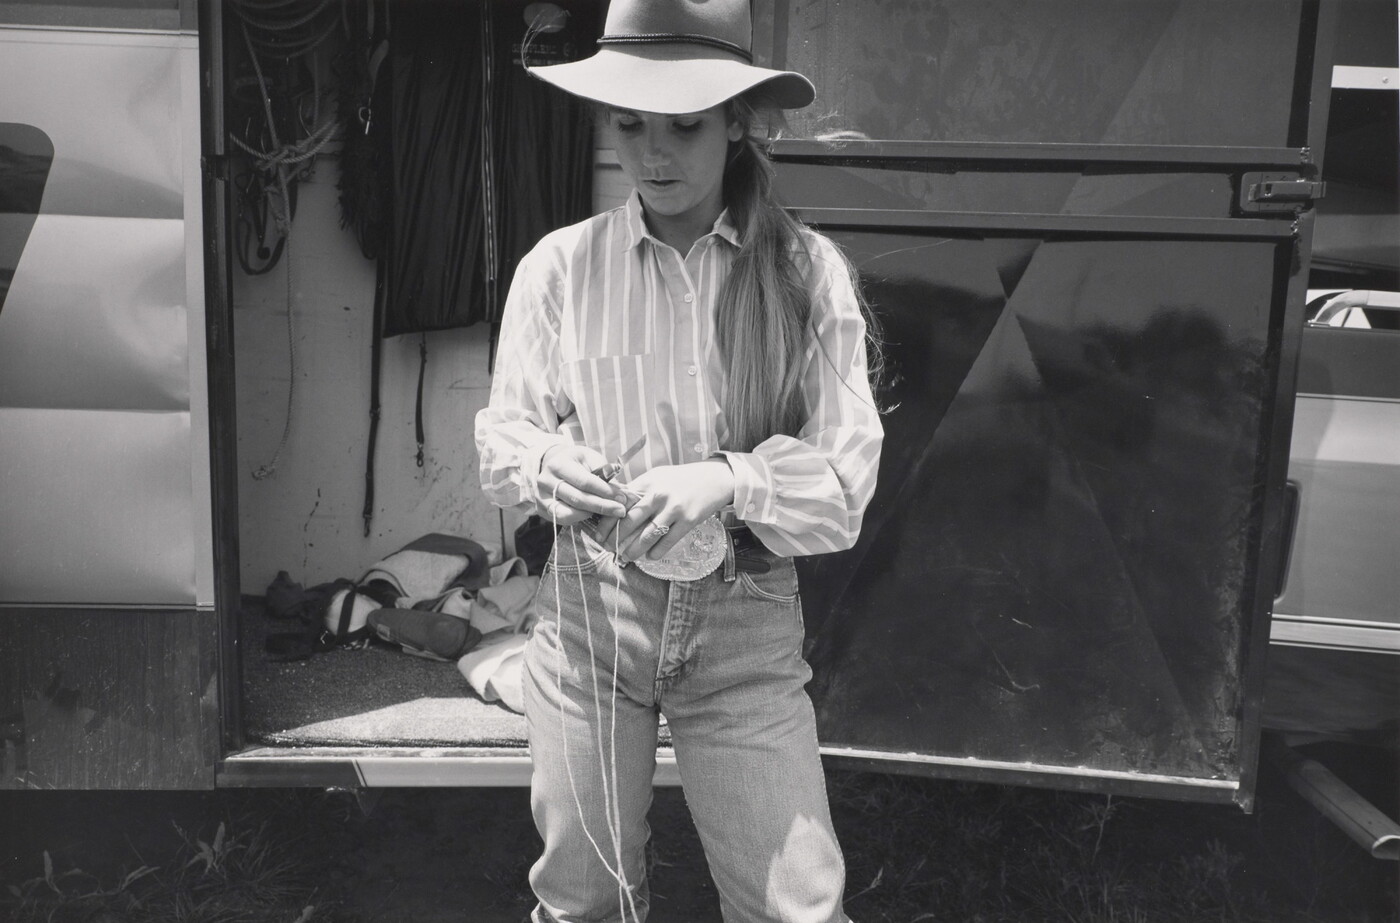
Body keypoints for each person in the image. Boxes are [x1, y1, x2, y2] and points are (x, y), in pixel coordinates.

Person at [475, 1, 883, 920]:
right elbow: (505, 439)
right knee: (584, 901)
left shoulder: (803, 273)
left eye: (684, 126)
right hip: (590, 617)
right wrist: (549, 463)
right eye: (629, 125)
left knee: (797, 907)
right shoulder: (562, 267)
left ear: (738, 120)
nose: (653, 154)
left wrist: (732, 477)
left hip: (743, 625)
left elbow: (847, 483)